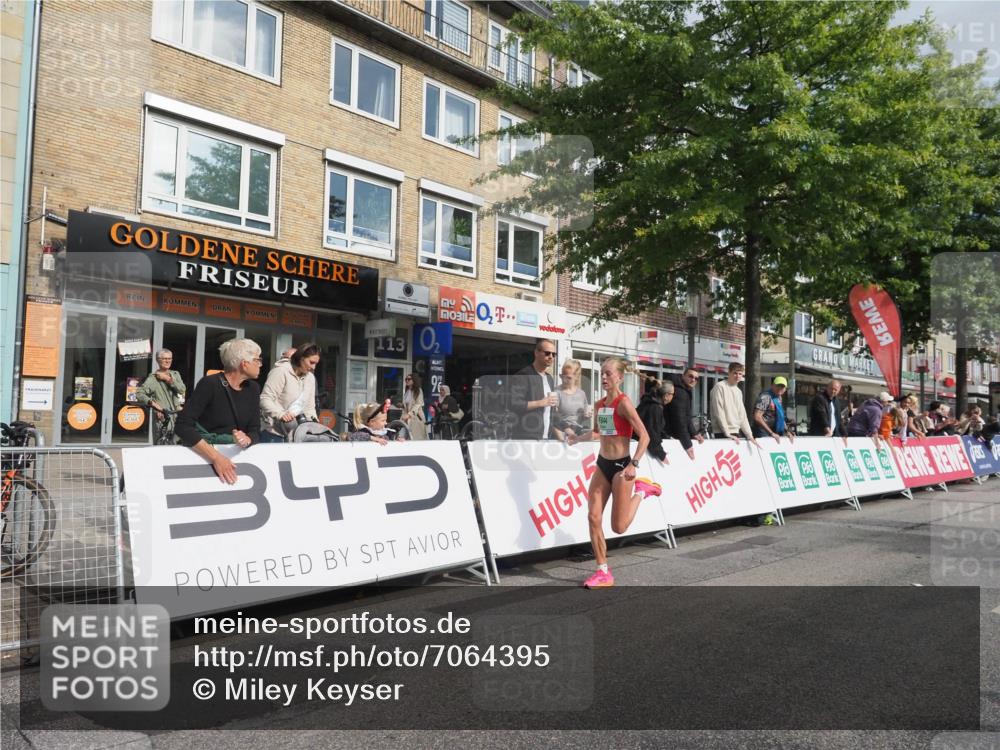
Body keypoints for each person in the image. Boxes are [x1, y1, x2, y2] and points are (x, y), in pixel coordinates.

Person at [567, 357, 659, 589]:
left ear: (619, 377)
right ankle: (602, 571)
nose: (605, 377)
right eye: (603, 373)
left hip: (622, 467)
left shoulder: (623, 403)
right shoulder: (600, 405)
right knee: (593, 517)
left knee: (619, 527)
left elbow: (645, 436)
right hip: (602, 465)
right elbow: (599, 433)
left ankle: (643, 492)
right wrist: (578, 438)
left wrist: (634, 464)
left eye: (609, 374)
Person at [175, 339, 262, 484]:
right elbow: (183, 426)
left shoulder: (253, 389)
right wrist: (216, 458)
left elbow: (255, 430)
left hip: (239, 464)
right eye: (257, 360)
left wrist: (247, 439)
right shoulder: (210, 384)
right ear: (244, 363)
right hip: (204, 463)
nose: (260, 364)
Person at [258, 343, 320, 443]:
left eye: (316, 364)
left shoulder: (310, 378)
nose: (314, 367)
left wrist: (314, 425)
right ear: (301, 358)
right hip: (274, 433)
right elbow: (265, 398)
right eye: (311, 362)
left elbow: (309, 407)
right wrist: (280, 414)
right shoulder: (280, 372)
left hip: (297, 435)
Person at [509, 339, 558, 439]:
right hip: (526, 436)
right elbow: (514, 404)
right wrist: (541, 403)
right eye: (547, 353)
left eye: (554, 354)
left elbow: (550, 410)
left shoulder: (549, 378)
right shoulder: (524, 375)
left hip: (545, 436)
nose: (551, 357)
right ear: (536, 353)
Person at [135, 349, 186, 444]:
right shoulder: (153, 378)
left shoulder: (175, 374)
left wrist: (168, 379)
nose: (168, 361)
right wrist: (155, 405)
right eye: (165, 359)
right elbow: (139, 393)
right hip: (163, 417)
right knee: (163, 447)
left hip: (177, 416)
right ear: (158, 360)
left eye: (170, 359)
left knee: (178, 446)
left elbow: (182, 389)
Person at [709, 362, 758, 445]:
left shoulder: (738, 391)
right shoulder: (719, 387)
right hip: (722, 432)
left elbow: (742, 415)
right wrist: (727, 433)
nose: (737, 376)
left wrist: (749, 435)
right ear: (729, 372)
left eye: (740, 374)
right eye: (735, 373)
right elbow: (719, 412)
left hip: (735, 431)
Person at [665, 368, 704, 459]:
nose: (693, 380)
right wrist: (687, 444)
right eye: (690, 376)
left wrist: (694, 433)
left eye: (696, 378)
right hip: (668, 435)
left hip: (669, 434)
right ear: (683, 376)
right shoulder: (680, 392)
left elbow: (686, 416)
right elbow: (679, 419)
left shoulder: (684, 390)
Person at [552, 359, 591, 442]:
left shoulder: (581, 393)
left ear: (576, 377)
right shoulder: (556, 392)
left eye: (568, 378)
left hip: (577, 433)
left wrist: (586, 416)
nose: (564, 380)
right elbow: (553, 417)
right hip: (561, 434)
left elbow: (581, 417)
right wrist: (566, 431)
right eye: (562, 376)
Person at [635, 379, 673, 463]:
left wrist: (667, 436)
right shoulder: (655, 408)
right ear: (666, 395)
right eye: (672, 394)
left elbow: (655, 427)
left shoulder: (648, 403)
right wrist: (661, 455)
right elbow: (652, 433)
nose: (672, 397)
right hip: (640, 451)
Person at [753, 376, 794, 443]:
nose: (780, 388)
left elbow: (780, 416)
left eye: (782, 387)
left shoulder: (779, 398)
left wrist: (787, 431)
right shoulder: (765, 397)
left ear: (785, 389)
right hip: (763, 432)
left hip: (774, 431)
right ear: (772, 385)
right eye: (778, 385)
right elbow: (757, 417)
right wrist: (771, 433)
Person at [401, 373, 427, 440]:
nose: (407, 381)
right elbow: (406, 405)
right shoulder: (407, 392)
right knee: (406, 436)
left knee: (416, 437)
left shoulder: (418, 390)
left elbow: (418, 404)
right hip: (407, 418)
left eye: (409, 379)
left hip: (416, 417)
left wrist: (409, 414)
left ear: (414, 380)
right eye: (406, 379)